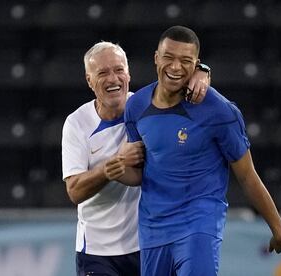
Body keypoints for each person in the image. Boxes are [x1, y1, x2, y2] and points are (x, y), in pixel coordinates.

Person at [115, 25, 281, 276]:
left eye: (186, 61)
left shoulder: (220, 111)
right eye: (169, 58)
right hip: (153, 227)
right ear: (156, 58)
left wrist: (277, 227)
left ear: (197, 63)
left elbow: (246, 174)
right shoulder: (136, 106)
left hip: (199, 222)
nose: (176, 67)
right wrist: (113, 170)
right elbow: (142, 170)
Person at [61, 41, 211, 276]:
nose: (113, 79)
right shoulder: (77, 124)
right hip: (97, 253)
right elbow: (74, 191)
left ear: (128, 74)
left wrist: (203, 70)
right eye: (102, 73)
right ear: (89, 81)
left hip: (149, 245)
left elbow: (178, 78)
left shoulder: (146, 105)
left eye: (119, 70)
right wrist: (112, 166)